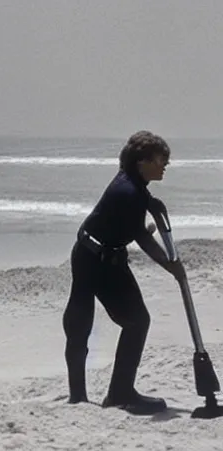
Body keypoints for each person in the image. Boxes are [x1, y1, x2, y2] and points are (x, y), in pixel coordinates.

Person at [62, 130, 185, 414]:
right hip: (96, 258)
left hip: (95, 252)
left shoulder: (133, 186)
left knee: (126, 321)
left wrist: (149, 207)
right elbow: (141, 236)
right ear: (142, 161)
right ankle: (112, 394)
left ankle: (92, 395)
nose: (165, 164)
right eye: (160, 159)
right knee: (120, 321)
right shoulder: (128, 192)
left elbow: (134, 223)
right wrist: (171, 266)